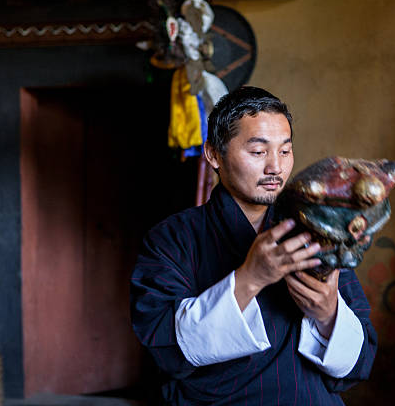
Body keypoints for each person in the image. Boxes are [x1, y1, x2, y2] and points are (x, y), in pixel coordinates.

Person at [130, 86, 377, 405]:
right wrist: (250, 278)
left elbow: (361, 360)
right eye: (259, 152)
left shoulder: (317, 231)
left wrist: (329, 314)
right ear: (213, 154)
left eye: (285, 151)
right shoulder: (172, 238)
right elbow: (163, 346)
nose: (275, 167)